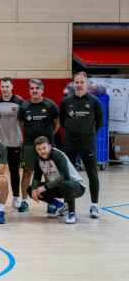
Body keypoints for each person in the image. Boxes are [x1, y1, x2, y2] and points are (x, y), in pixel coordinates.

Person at [59, 71, 103, 218]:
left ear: (86, 84)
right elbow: (63, 121)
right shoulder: (66, 101)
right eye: (76, 82)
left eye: (81, 82)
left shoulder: (94, 101)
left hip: (87, 144)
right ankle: (67, 205)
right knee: (67, 176)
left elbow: (99, 122)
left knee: (92, 174)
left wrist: (88, 134)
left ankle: (95, 205)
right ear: (73, 84)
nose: (78, 85)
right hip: (70, 143)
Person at [18, 79, 60, 213]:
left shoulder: (50, 105)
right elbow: (21, 124)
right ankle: (24, 201)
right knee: (27, 173)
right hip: (30, 145)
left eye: (37, 88)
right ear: (29, 90)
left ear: (42, 90)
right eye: (32, 88)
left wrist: (48, 139)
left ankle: (51, 203)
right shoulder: (24, 106)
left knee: (49, 174)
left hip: (46, 147)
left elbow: (57, 124)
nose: (34, 91)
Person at [30, 136, 86, 224]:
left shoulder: (57, 155)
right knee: (30, 189)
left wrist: (45, 187)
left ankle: (71, 213)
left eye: (44, 148)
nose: (42, 151)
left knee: (66, 184)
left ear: (49, 146)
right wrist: (34, 189)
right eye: (39, 149)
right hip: (58, 186)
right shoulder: (38, 159)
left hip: (76, 187)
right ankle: (61, 206)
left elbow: (65, 176)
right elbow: (36, 176)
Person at [0, 77, 25, 209]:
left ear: (12, 87)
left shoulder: (20, 102)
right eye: (3, 86)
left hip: (14, 143)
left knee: (14, 171)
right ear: (0, 88)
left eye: (7, 86)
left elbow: (22, 123)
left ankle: (16, 197)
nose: (5, 89)